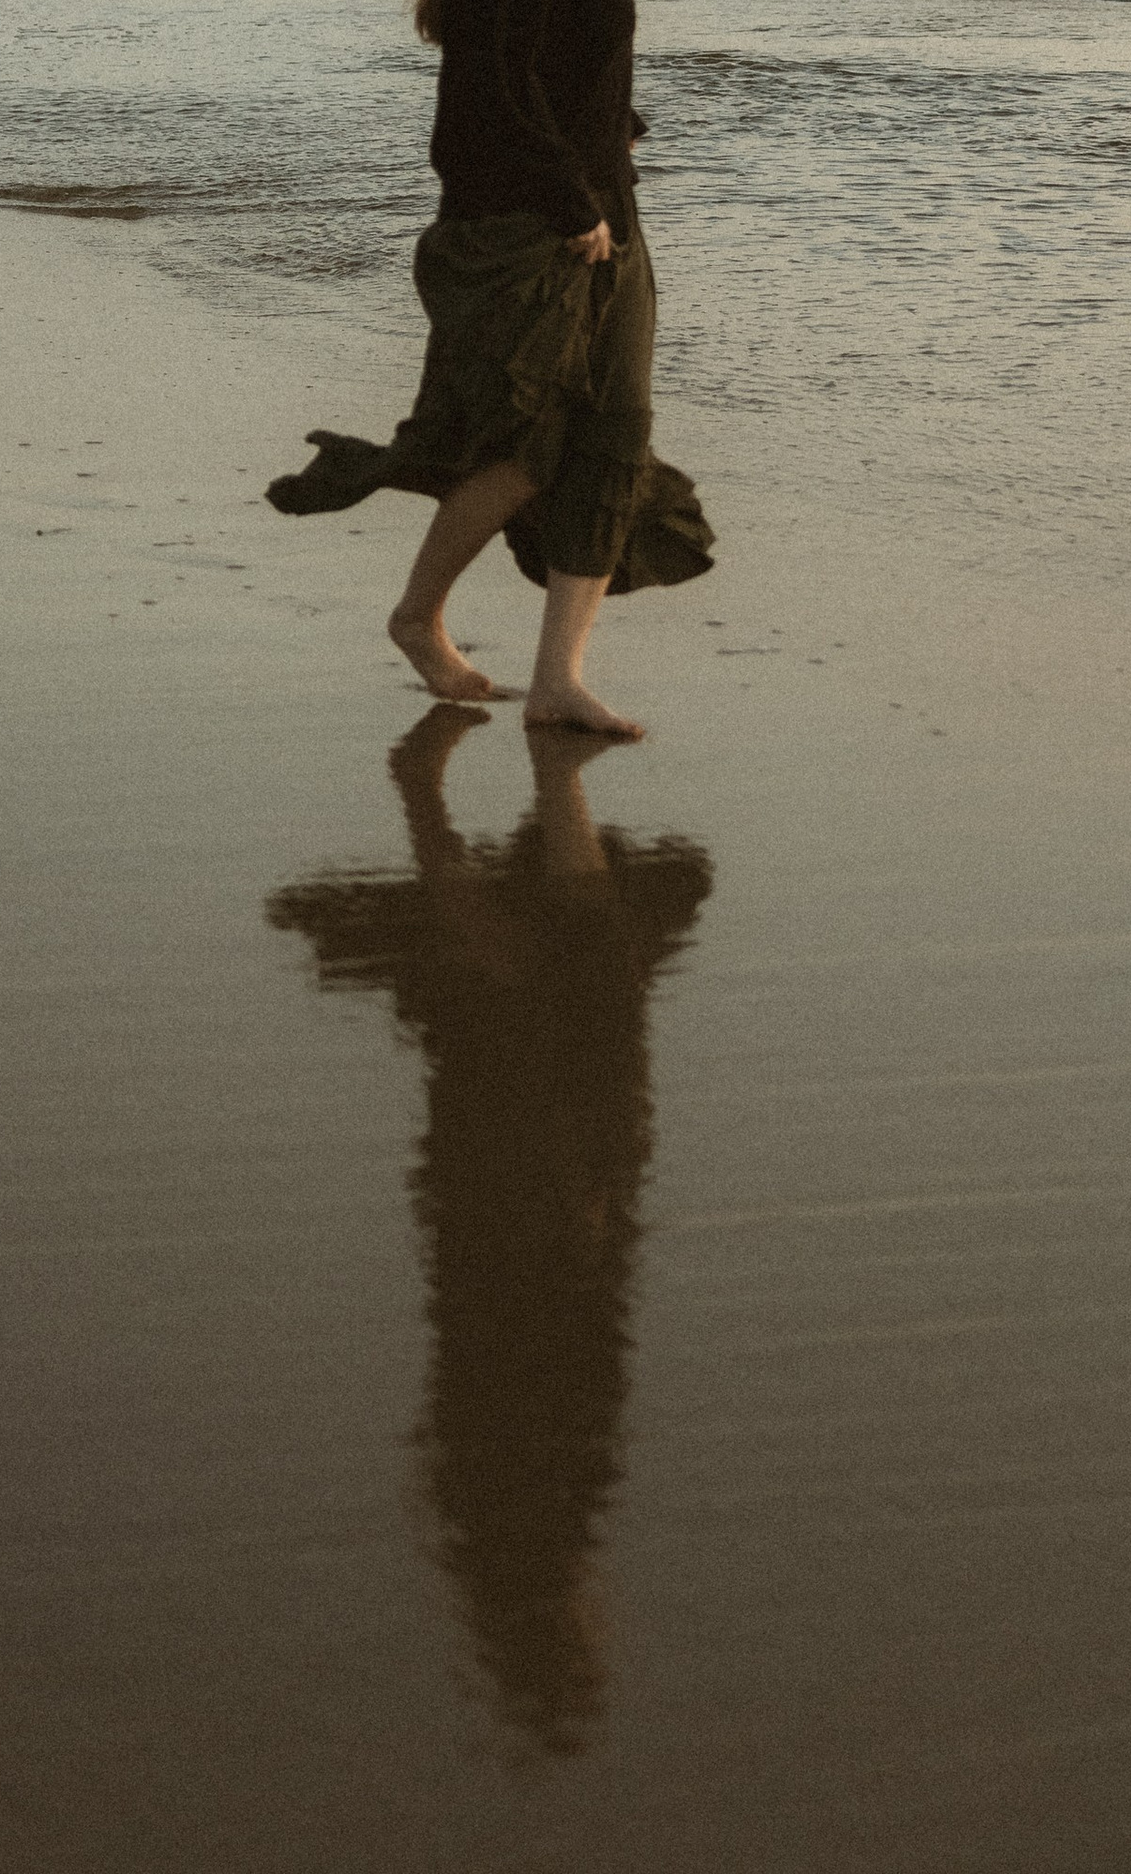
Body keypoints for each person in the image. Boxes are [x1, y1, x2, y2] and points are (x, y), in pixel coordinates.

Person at [267, 712, 712, 1751]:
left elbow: (564, 1340)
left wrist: (595, 1213)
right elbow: (574, 1343)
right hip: (536, 1206)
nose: (602, 1623)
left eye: (586, 1643)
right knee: (552, 1000)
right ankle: (494, 822)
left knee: (545, 1003)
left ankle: (489, 825)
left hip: (534, 1205)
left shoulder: (522, 1508)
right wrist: (597, 1213)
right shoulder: (523, 1509)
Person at [267, 0, 711, 731]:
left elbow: (542, 57)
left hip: (595, 209)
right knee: (526, 443)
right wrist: (568, 198)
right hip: (550, 225)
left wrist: (615, 129)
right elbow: (489, 75)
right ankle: (419, 618)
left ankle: (558, 679)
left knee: (610, 436)